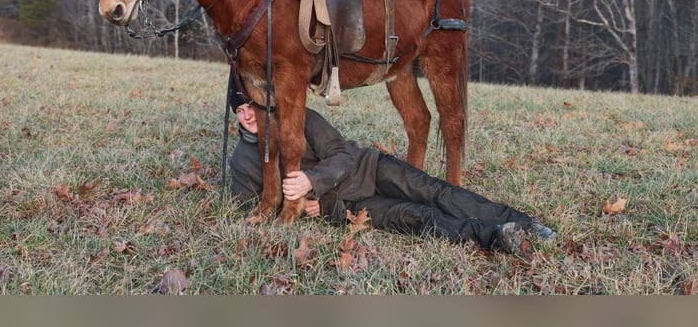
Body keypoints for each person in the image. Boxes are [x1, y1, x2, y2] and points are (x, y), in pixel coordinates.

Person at [228, 91, 557, 254]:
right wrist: (306, 209)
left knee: (435, 192)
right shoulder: (242, 160)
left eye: (250, 106)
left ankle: (527, 224)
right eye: (239, 111)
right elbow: (256, 210)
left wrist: (312, 181)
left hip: (369, 168)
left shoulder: (300, 118)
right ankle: (497, 237)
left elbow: (341, 153)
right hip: (347, 208)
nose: (247, 116)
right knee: (417, 217)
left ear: (263, 100)